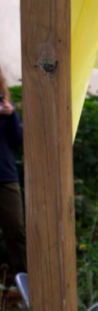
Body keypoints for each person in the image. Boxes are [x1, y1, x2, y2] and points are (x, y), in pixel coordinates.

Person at [0, 65, 26, 278]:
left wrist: (11, 116)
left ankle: (24, 277)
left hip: (5, 175)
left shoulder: (6, 106)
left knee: (15, 228)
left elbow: (18, 141)